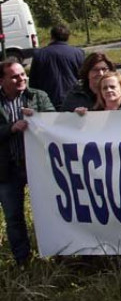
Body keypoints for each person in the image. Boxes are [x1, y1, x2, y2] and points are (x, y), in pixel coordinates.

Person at [0, 60, 54, 266]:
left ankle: (54, 254)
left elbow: (53, 121)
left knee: (49, 211)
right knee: (14, 218)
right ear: (2, 80)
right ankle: (23, 261)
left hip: (38, 167)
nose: (21, 78)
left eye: (23, 74)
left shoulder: (38, 96)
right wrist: (11, 128)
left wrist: (38, 118)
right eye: (14, 76)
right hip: (7, 170)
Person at [27, 24, 84, 108]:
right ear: (68, 37)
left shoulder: (39, 54)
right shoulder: (78, 53)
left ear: (52, 36)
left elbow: (33, 82)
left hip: (49, 101)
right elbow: (83, 77)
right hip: (73, 99)